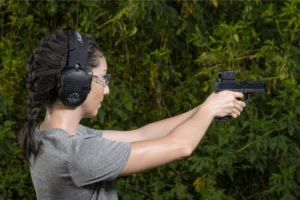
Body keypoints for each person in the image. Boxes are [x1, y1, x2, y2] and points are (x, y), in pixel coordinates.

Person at [17, 30, 246, 200]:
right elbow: (180, 146)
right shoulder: (77, 154)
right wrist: (210, 110)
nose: (106, 89)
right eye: (103, 78)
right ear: (75, 83)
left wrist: (206, 106)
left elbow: (141, 134)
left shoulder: (53, 138)